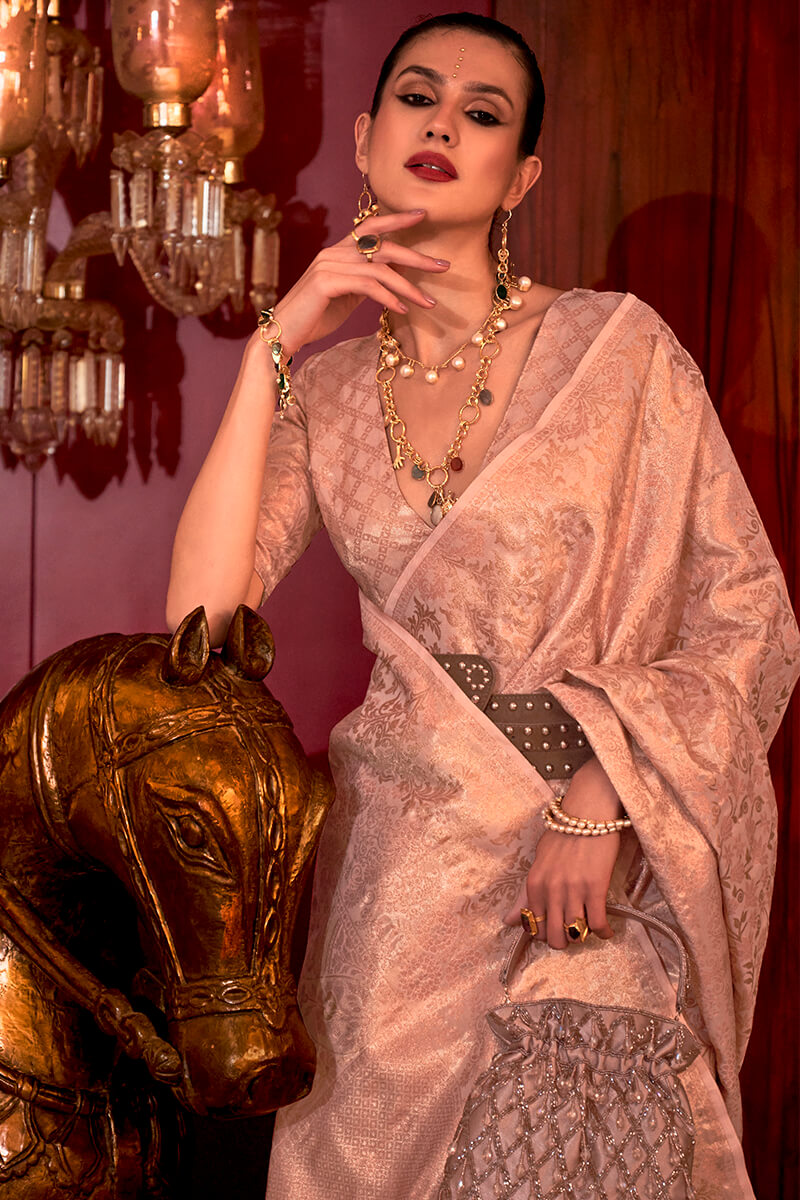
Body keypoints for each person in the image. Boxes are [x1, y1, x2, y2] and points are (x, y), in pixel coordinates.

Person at [167, 13, 799, 1199]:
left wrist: (601, 795)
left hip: (585, 859)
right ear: (367, 138)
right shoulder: (326, 392)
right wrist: (271, 349)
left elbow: (745, 616)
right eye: (418, 98)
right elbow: (200, 628)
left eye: (482, 112)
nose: (443, 124)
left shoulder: (616, 351)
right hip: (399, 884)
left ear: (520, 176)